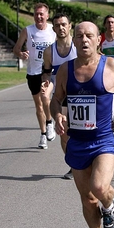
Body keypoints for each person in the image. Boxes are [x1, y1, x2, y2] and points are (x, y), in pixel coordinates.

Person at [50, 21, 114, 228]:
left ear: (98, 39)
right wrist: (57, 114)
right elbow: (56, 99)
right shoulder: (66, 70)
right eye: (79, 36)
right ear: (74, 40)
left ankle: (110, 206)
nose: (84, 40)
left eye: (89, 35)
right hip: (77, 141)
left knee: (99, 187)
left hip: (104, 140)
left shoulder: (110, 65)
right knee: (87, 199)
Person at [13, 3, 56, 149]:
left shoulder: (53, 30)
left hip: (47, 71)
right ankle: (43, 134)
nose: (39, 17)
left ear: (47, 16)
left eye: (41, 14)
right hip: (33, 72)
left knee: (46, 98)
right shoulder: (28, 31)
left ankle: (49, 123)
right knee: (39, 105)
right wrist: (21, 53)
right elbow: (16, 49)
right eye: (36, 14)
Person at [41, 13, 77, 180]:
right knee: (64, 133)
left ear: (70, 26)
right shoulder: (49, 51)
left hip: (81, 95)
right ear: (53, 28)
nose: (61, 28)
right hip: (61, 97)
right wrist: (46, 83)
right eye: (57, 25)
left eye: (64, 24)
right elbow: (47, 73)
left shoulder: (79, 46)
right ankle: (73, 165)